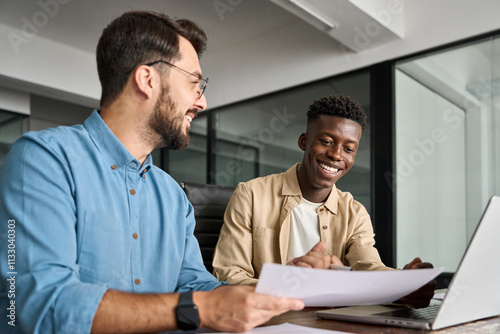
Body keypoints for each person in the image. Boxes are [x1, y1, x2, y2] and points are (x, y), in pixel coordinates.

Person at [0, 11, 305, 334]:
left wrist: (275, 289)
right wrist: (199, 309)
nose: (202, 102)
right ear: (147, 80)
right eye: (194, 84)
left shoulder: (172, 195)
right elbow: (43, 305)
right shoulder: (43, 160)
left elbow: (193, 284)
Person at [212, 94, 436, 308]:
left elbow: (368, 267)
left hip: (327, 321)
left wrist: (403, 284)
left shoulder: (354, 213)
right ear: (304, 141)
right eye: (327, 141)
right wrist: (285, 287)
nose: (337, 155)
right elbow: (229, 275)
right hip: (268, 318)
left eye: (348, 149)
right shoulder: (251, 195)